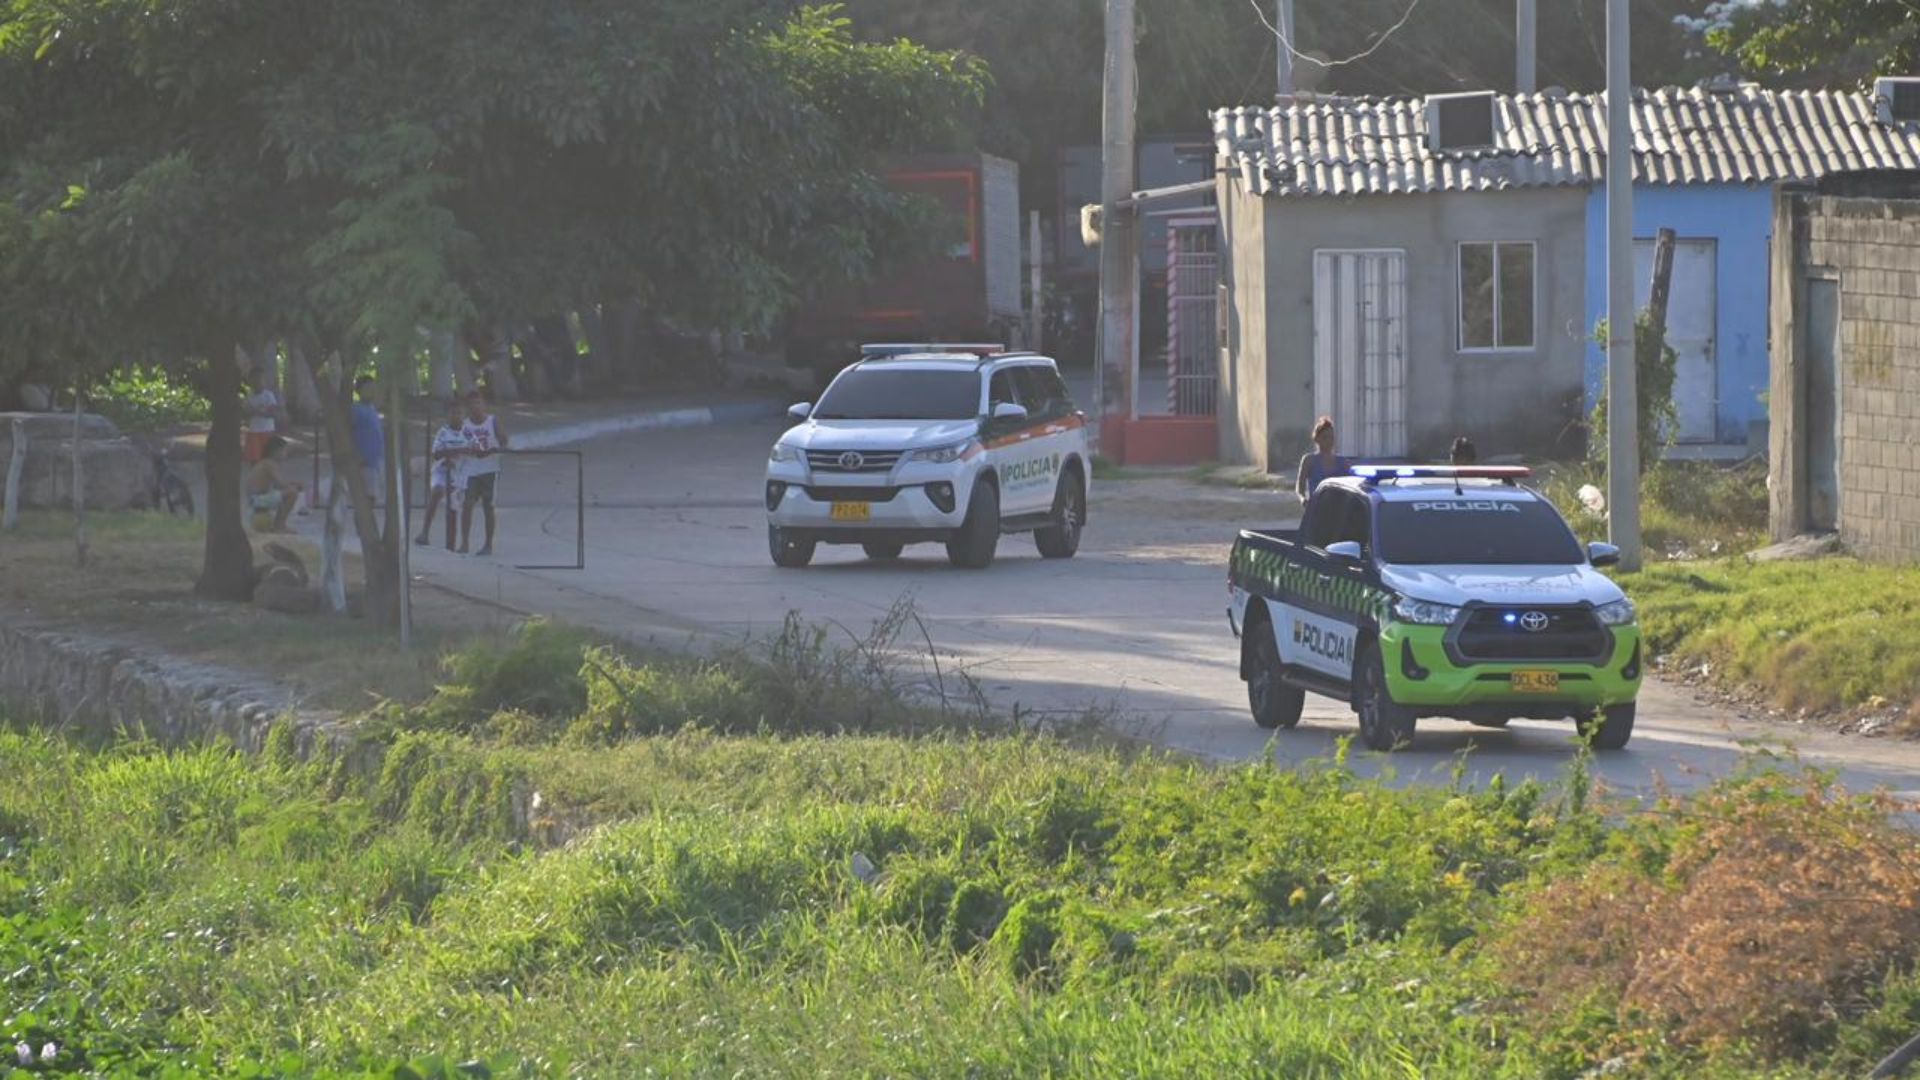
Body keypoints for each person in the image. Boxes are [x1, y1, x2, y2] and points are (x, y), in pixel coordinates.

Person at [458, 390, 507, 556]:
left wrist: (495, 449)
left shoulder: (492, 421)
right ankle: (464, 542)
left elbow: (503, 440)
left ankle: (488, 544)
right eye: (472, 404)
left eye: (478, 403)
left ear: (484, 405)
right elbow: (461, 445)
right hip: (471, 469)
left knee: (488, 506)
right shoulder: (465, 425)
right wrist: (470, 449)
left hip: (490, 469)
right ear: (468, 407)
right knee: (467, 504)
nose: (476, 407)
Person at [416, 398, 468, 548]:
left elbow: (474, 450)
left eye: (459, 413)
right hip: (441, 471)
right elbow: (437, 454)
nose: (456, 416)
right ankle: (424, 532)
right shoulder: (443, 432)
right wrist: (455, 451)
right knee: (437, 492)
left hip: (459, 473)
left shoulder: (468, 432)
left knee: (453, 508)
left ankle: (452, 544)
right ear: (447, 415)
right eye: (453, 413)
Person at [245, 436, 304, 533]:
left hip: (255, 499)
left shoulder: (264, 463)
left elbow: (277, 486)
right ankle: (279, 526)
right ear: (275, 451)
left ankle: (277, 524)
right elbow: (280, 484)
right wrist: (295, 485)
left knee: (287, 491)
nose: (286, 454)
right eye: (284, 451)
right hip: (258, 499)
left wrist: (292, 483)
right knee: (292, 493)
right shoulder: (269, 464)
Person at [1294, 416, 1349, 506]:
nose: (1329, 441)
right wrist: (1303, 500)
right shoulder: (1309, 460)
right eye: (1325, 437)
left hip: (1338, 510)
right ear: (1317, 439)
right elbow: (1300, 488)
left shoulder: (1342, 462)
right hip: (1317, 509)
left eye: (1331, 438)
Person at [350, 375, 384, 504]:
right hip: (365, 461)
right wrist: (356, 454)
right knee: (368, 497)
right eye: (367, 388)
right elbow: (349, 433)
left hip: (375, 460)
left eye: (373, 387)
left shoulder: (372, 408)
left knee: (373, 496)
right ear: (359, 390)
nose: (371, 391)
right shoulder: (355, 410)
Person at [243, 366, 284, 464]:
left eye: (260, 379)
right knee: (254, 459)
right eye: (254, 379)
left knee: (267, 458)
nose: (257, 382)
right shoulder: (249, 397)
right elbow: (246, 413)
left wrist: (260, 412)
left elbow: (273, 413)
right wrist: (249, 413)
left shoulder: (268, 395)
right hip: (254, 431)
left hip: (267, 431)